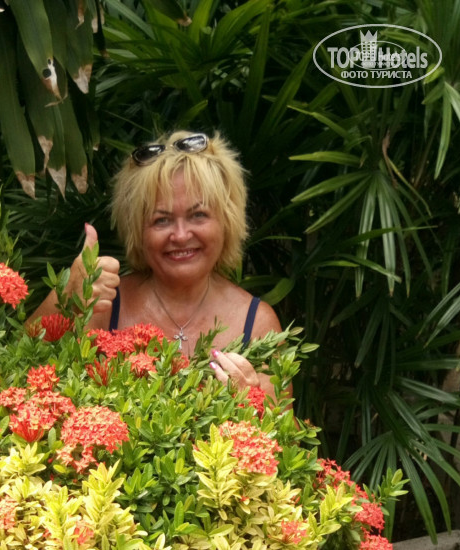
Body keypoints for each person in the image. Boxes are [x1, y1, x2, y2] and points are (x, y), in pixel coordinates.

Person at [28, 131, 284, 398]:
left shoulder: (258, 324)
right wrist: (66, 296)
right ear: (137, 230)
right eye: (162, 220)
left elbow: (282, 425)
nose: (181, 235)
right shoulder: (102, 305)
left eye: (198, 215)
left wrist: (253, 403)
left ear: (227, 221)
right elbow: (17, 368)